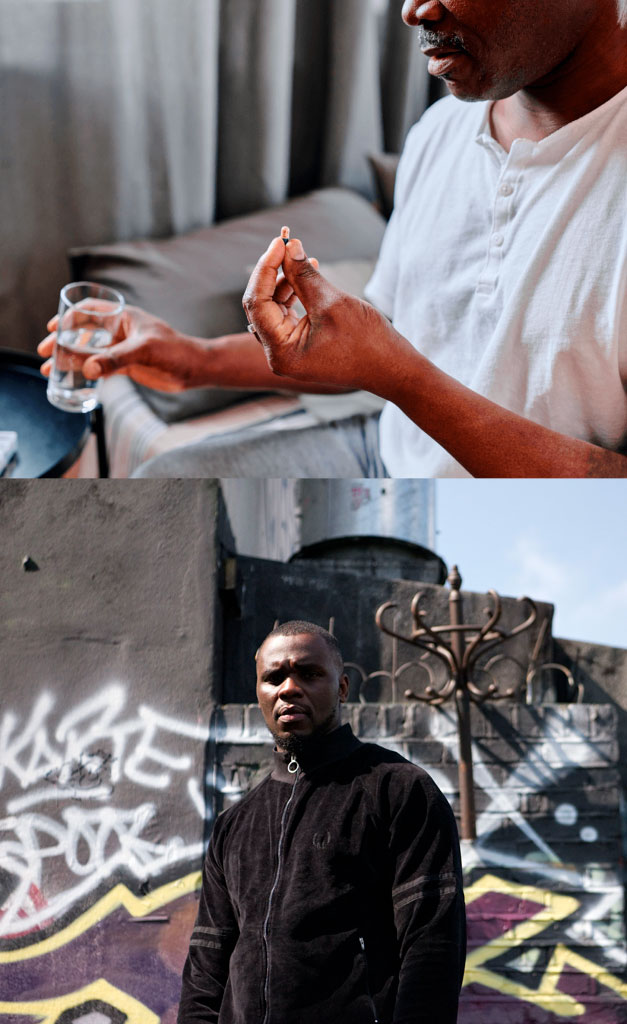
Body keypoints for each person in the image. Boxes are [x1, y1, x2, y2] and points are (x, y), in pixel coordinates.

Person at [38, 0, 627, 477]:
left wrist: (400, 377)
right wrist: (192, 359)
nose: (413, 10)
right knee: (166, 483)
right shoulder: (439, 130)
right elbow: (384, 337)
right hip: (389, 449)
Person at [178, 621, 466, 1023]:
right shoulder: (233, 826)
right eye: (273, 678)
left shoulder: (399, 790)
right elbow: (207, 967)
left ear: (342, 688)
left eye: (309, 674)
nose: (289, 688)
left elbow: (431, 946)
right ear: (259, 693)